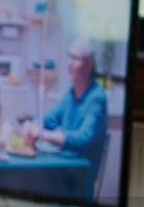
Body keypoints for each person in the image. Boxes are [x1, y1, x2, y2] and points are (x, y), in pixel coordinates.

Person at [26, 37, 108, 198]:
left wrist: (43, 134)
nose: (70, 63)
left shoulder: (97, 98)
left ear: (89, 65)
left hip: (80, 178)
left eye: (76, 58)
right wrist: (32, 124)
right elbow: (47, 119)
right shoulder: (70, 94)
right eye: (69, 57)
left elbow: (84, 138)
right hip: (62, 170)